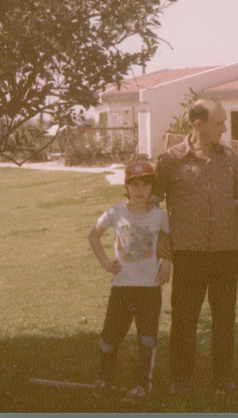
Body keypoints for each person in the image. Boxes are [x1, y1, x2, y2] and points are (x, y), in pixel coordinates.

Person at [152, 99, 238, 396]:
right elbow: (154, 203)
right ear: (199, 124)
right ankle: (180, 380)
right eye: (219, 123)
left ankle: (222, 378)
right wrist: (160, 236)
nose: (224, 128)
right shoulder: (170, 160)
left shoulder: (231, 159)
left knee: (224, 318)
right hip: (189, 252)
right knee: (184, 317)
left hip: (226, 251)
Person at [88, 161, 172, 403]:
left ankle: (141, 384)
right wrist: (105, 263)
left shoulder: (158, 216)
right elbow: (94, 235)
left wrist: (166, 262)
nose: (140, 189)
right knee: (109, 338)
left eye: (145, 183)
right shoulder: (116, 212)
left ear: (152, 187)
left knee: (147, 339)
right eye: (134, 184)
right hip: (122, 287)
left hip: (149, 288)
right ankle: (104, 379)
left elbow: (169, 238)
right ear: (126, 187)